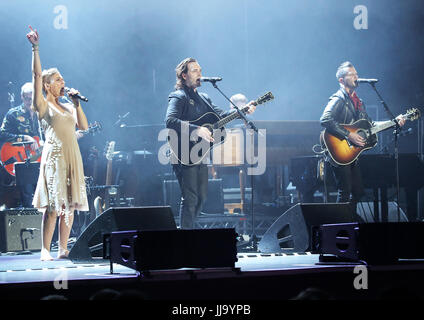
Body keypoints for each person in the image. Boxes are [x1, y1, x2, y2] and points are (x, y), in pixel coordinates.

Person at [165, 58, 256, 229]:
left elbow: (221, 115)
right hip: (183, 152)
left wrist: (242, 111)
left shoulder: (204, 98)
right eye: (194, 70)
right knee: (190, 197)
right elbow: (170, 121)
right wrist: (196, 130)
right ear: (184, 75)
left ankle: (188, 230)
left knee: (202, 197)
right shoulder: (178, 96)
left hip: (199, 153)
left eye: (200, 69)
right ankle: (185, 239)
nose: (199, 73)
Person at [26, 26, 89, 260]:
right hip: (54, 157)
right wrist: (35, 47)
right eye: (58, 79)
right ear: (47, 85)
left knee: (69, 206)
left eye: (63, 78)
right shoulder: (43, 105)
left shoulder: (69, 106)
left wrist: (77, 103)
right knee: (53, 206)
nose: (63, 82)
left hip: (73, 156)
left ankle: (63, 248)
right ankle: (45, 249)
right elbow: (35, 75)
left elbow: (83, 126)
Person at [320, 61, 405, 210]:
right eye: (352, 74)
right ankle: (340, 225)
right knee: (345, 192)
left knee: (358, 192)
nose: (356, 77)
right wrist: (348, 135)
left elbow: (371, 125)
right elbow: (325, 119)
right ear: (341, 80)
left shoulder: (359, 102)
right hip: (339, 150)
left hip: (351, 153)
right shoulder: (338, 99)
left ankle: (350, 219)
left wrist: (394, 122)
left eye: (357, 74)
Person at [0, 82, 42, 207]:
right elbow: (2, 134)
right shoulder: (13, 114)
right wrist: (25, 138)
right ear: (21, 97)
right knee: (28, 197)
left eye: (32, 98)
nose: (29, 101)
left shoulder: (42, 114)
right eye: (27, 98)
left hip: (39, 158)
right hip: (23, 161)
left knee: (43, 195)